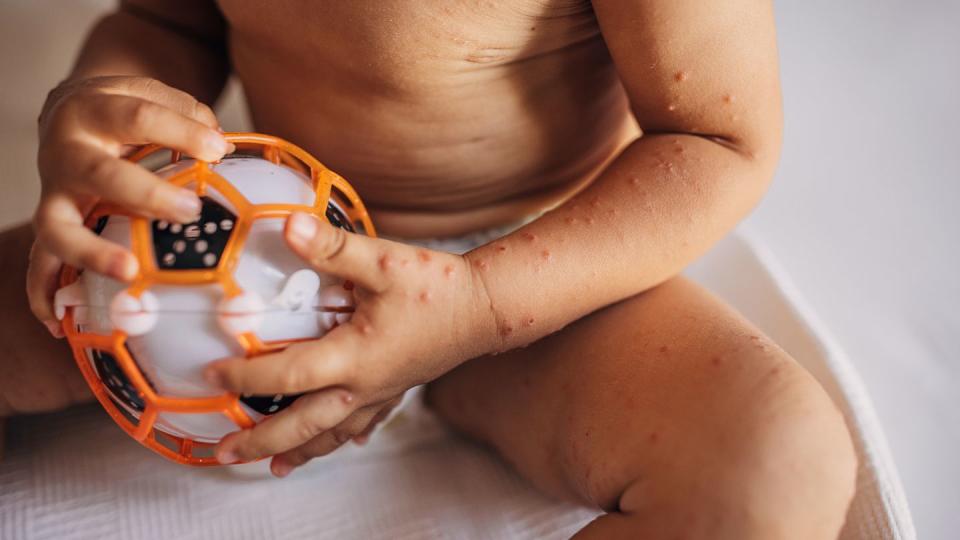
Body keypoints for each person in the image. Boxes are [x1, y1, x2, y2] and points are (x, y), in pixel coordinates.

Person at [0, 1, 857, 537]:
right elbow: (167, 21)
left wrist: (479, 303)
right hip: (237, 262)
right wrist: (92, 104)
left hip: (536, 286)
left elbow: (719, 140)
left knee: (779, 472)